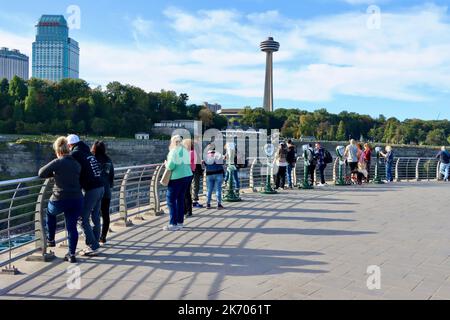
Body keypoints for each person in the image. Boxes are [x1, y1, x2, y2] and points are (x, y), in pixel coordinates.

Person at [38, 137, 83, 263]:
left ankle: (51, 239)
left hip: (60, 198)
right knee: (71, 227)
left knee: (50, 212)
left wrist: (53, 174)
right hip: (76, 199)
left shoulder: (58, 162)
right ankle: (72, 254)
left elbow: (41, 173)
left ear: (58, 150)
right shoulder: (76, 164)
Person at [67, 134, 104, 256]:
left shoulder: (75, 154)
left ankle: (92, 246)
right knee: (96, 216)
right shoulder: (87, 152)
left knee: (82, 218)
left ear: (70, 145)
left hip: (92, 189)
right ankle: (95, 242)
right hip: (101, 186)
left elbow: (66, 163)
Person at [163, 135, 193, 231]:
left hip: (177, 178)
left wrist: (166, 164)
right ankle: (180, 222)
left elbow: (171, 166)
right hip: (187, 176)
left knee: (170, 200)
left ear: (173, 142)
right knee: (180, 199)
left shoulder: (173, 151)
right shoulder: (185, 151)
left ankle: (173, 224)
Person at [91, 141, 114, 244]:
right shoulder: (108, 160)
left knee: (94, 214)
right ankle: (103, 237)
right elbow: (111, 176)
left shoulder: (92, 160)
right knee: (105, 214)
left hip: (94, 190)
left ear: (94, 149)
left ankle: (94, 236)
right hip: (106, 191)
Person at [204, 144, 225, 210]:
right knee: (218, 189)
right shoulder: (218, 154)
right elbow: (222, 163)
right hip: (218, 173)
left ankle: (208, 204)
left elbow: (204, 165)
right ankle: (218, 204)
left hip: (209, 174)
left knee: (209, 189)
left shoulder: (206, 155)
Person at [183, 139, 195, 217]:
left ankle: (188, 211)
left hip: (188, 173)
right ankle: (185, 210)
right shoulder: (191, 152)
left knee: (186, 193)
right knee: (185, 192)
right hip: (189, 173)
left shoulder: (191, 153)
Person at [191, 139, 204, 209]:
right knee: (195, 186)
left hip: (194, 171)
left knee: (195, 186)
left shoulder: (194, 152)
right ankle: (194, 201)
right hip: (194, 171)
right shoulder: (193, 152)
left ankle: (193, 201)